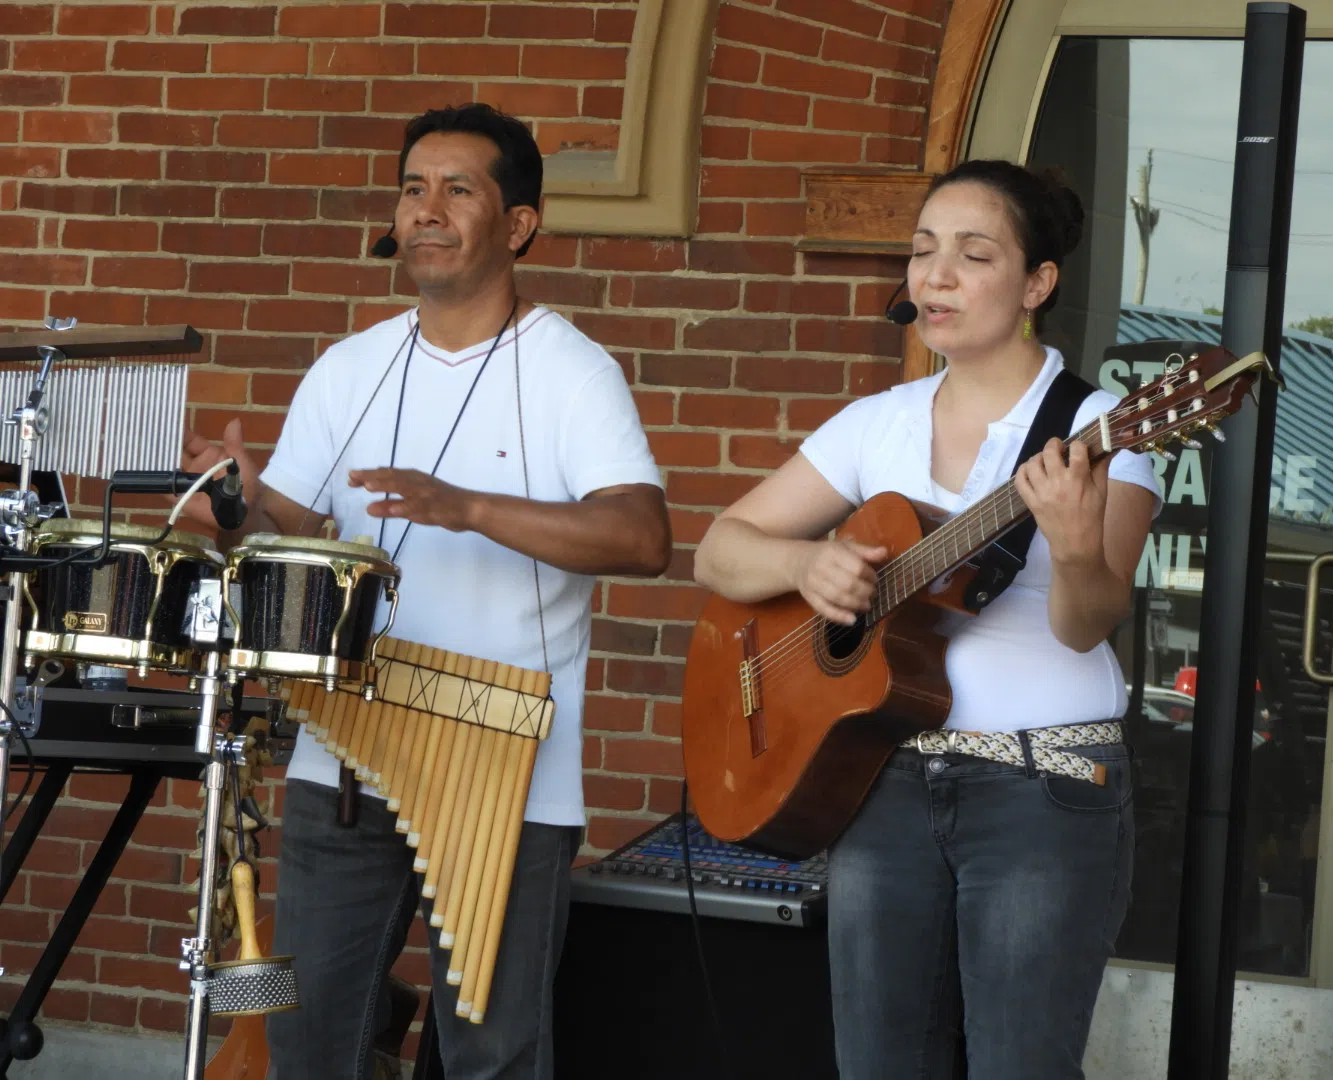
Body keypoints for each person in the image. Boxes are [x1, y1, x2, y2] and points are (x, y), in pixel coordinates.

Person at [181, 103, 670, 1080]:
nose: (426, 210)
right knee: (300, 1038)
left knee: (494, 1051)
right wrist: (237, 504)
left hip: (504, 770)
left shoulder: (573, 371)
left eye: (457, 189)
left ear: (518, 225)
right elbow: (298, 532)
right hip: (342, 758)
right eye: (412, 189)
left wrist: (470, 507)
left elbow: (642, 535)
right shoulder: (349, 366)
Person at [693, 159, 1160, 1079]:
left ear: (1037, 284)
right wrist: (805, 565)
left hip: (1043, 786)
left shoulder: (1102, 429)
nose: (936, 276)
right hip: (882, 779)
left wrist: (1073, 547)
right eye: (921, 251)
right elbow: (719, 550)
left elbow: (1086, 625)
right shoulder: (877, 422)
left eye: (973, 255)